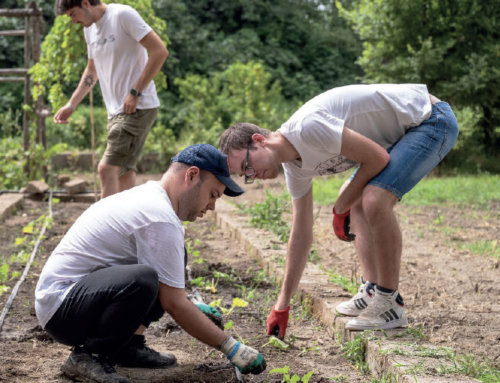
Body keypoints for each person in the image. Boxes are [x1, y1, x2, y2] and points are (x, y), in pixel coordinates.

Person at [218, 84, 459, 335]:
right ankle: (372, 290)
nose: (252, 175)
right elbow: (300, 234)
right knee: (356, 196)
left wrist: (340, 206)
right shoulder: (294, 169)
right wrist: (282, 305)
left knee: (374, 199)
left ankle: (390, 303)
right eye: (245, 175)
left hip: (430, 119)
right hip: (403, 134)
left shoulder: (307, 127)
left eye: (247, 165)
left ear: (259, 141)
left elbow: (378, 159)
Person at [35, 144, 267, 383]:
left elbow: (171, 290)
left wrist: (186, 302)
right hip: (62, 308)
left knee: (171, 259)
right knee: (144, 279)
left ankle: (127, 346)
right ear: (192, 175)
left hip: (78, 299)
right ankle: (88, 356)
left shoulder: (152, 197)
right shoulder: (158, 216)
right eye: (212, 195)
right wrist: (231, 347)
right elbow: (174, 304)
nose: (212, 206)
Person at [53, 0, 169, 198]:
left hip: (136, 106)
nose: (73, 21)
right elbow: (92, 70)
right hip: (115, 110)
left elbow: (160, 51)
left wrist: (135, 92)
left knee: (106, 169)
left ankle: (106, 227)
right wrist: (72, 104)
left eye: (73, 14)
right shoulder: (89, 29)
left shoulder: (122, 15)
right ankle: (128, 225)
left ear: (85, 3)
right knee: (124, 171)